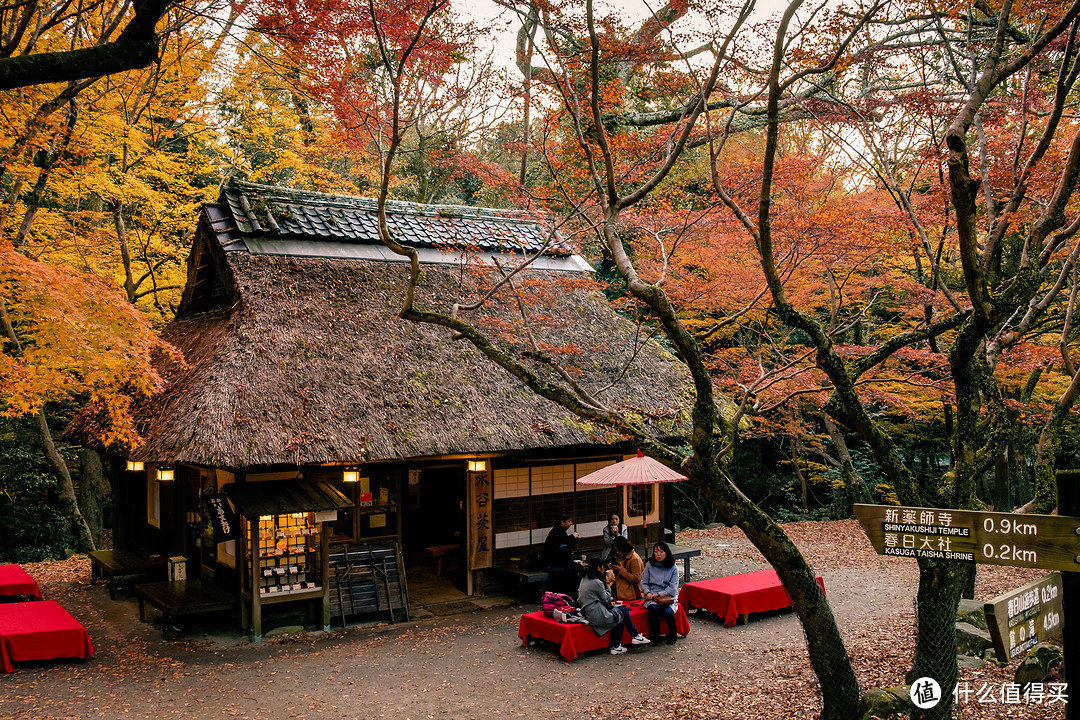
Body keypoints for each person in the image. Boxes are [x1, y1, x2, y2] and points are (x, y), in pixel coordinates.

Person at [577, 556, 650, 655]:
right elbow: (607, 600)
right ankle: (619, 644)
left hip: (589, 610)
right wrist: (608, 583)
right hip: (596, 613)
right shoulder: (597, 582)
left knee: (623, 610)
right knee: (619, 615)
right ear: (599, 567)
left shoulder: (585, 578)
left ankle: (633, 637)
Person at [641, 541, 680, 645]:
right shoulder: (650, 564)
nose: (658, 554)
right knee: (653, 609)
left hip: (667, 595)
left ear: (666, 553)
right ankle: (655, 636)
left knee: (668, 612)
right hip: (652, 594)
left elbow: (673, 588)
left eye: (661, 552)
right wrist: (647, 592)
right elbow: (644, 581)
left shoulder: (673, 567)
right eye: (656, 551)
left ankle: (673, 634)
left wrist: (658, 594)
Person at [544, 514, 582, 598]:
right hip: (556, 562)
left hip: (560, 562)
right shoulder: (556, 532)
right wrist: (572, 537)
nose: (571, 523)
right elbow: (564, 543)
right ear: (562, 522)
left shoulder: (559, 531)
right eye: (569, 521)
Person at [606, 535, 644, 601]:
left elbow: (636, 578)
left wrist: (621, 570)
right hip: (621, 587)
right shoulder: (624, 556)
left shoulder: (634, 559)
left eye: (619, 550)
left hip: (631, 591)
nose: (618, 552)